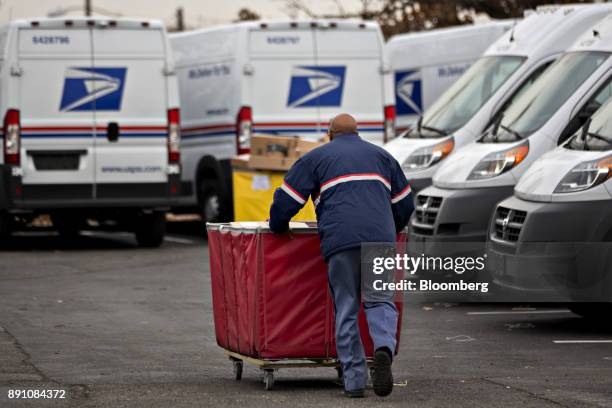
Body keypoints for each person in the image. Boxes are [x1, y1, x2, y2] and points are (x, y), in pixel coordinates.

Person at [269, 113, 414, 397]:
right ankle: (383, 348)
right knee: (380, 300)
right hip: (380, 240)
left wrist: (278, 226)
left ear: (330, 134)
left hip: (341, 241)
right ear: (357, 132)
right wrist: (389, 229)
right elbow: (405, 203)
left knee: (346, 308)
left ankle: (355, 382)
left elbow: (287, 200)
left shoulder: (316, 158)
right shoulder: (383, 157)